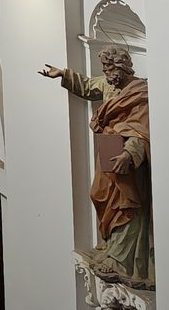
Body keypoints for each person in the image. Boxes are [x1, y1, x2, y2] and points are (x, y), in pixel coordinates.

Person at [41, 46, 153, 290]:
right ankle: (112, 247)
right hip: (109, 152)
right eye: (104, 68)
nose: (106, 72)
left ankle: (122, 260)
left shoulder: (140, 91)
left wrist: (129, 154)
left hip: (129, 162)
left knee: (126, 205)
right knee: (100, 196)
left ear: (122, 66)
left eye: (109, 67)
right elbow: (89, 86)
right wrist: (63, 74)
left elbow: (141, 130)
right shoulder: (107, 85)